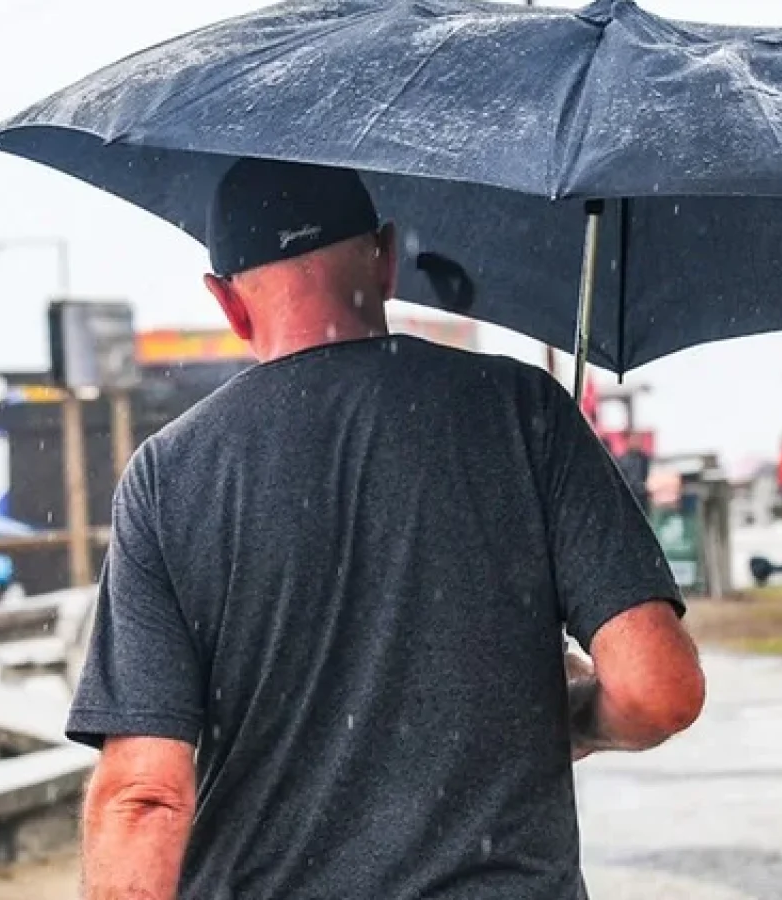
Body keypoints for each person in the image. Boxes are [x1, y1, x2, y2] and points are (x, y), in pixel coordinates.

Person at [71, 158, 705, 900]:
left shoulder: (168, 474)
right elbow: (659, 690)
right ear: (386, 258)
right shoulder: (519, 410)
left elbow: (144, 797)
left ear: (227, 303)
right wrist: (575, 717)